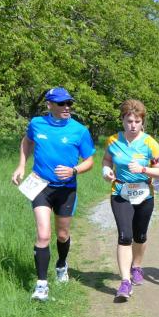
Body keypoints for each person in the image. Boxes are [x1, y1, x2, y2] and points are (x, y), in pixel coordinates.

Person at [11, 87, 95, 301]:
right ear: (49, 104)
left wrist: (74, 170)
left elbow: (89, 161)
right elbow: (27, 141)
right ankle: (41, 286)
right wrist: (21, 165)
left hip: (66, 189)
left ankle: (61, 264)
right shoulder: (37, 124)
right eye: (61, 103)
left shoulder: (79, 130)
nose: (67, 107)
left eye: (69, 103)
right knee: (43, 235)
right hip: (40, 185)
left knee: (62, 234)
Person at [102, 99, 159, 302]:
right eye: (129, 121)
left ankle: (137, 266)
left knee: (140, 236)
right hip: (120, 193)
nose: (133, 125)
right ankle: (125, 281)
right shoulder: (113, 140)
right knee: (125, 236)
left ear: (142, 122)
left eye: (137, 121)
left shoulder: (150, 143)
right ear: (122, 120)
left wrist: (143, 169)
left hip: (144, 194)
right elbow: (107, 159)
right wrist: (106, 170)